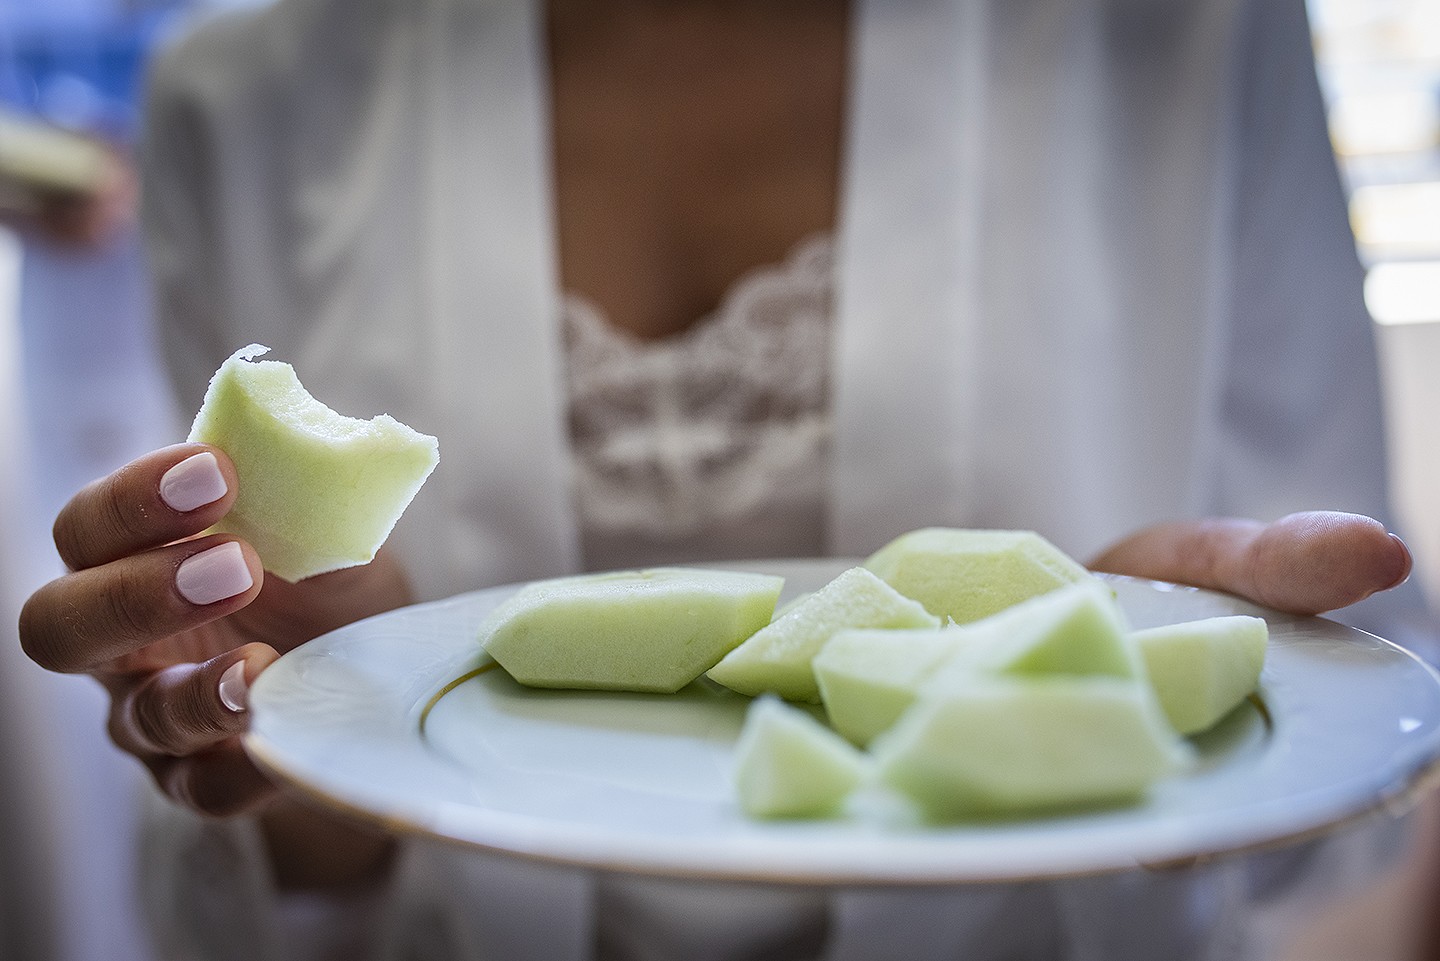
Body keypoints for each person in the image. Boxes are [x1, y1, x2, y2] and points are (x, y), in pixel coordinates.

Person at [16, 0, 1437, 958]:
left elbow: (1362, 777)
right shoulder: (237, 99)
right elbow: (257, 894)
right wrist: (305, 741)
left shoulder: (1190, 32)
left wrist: (1193, 685)